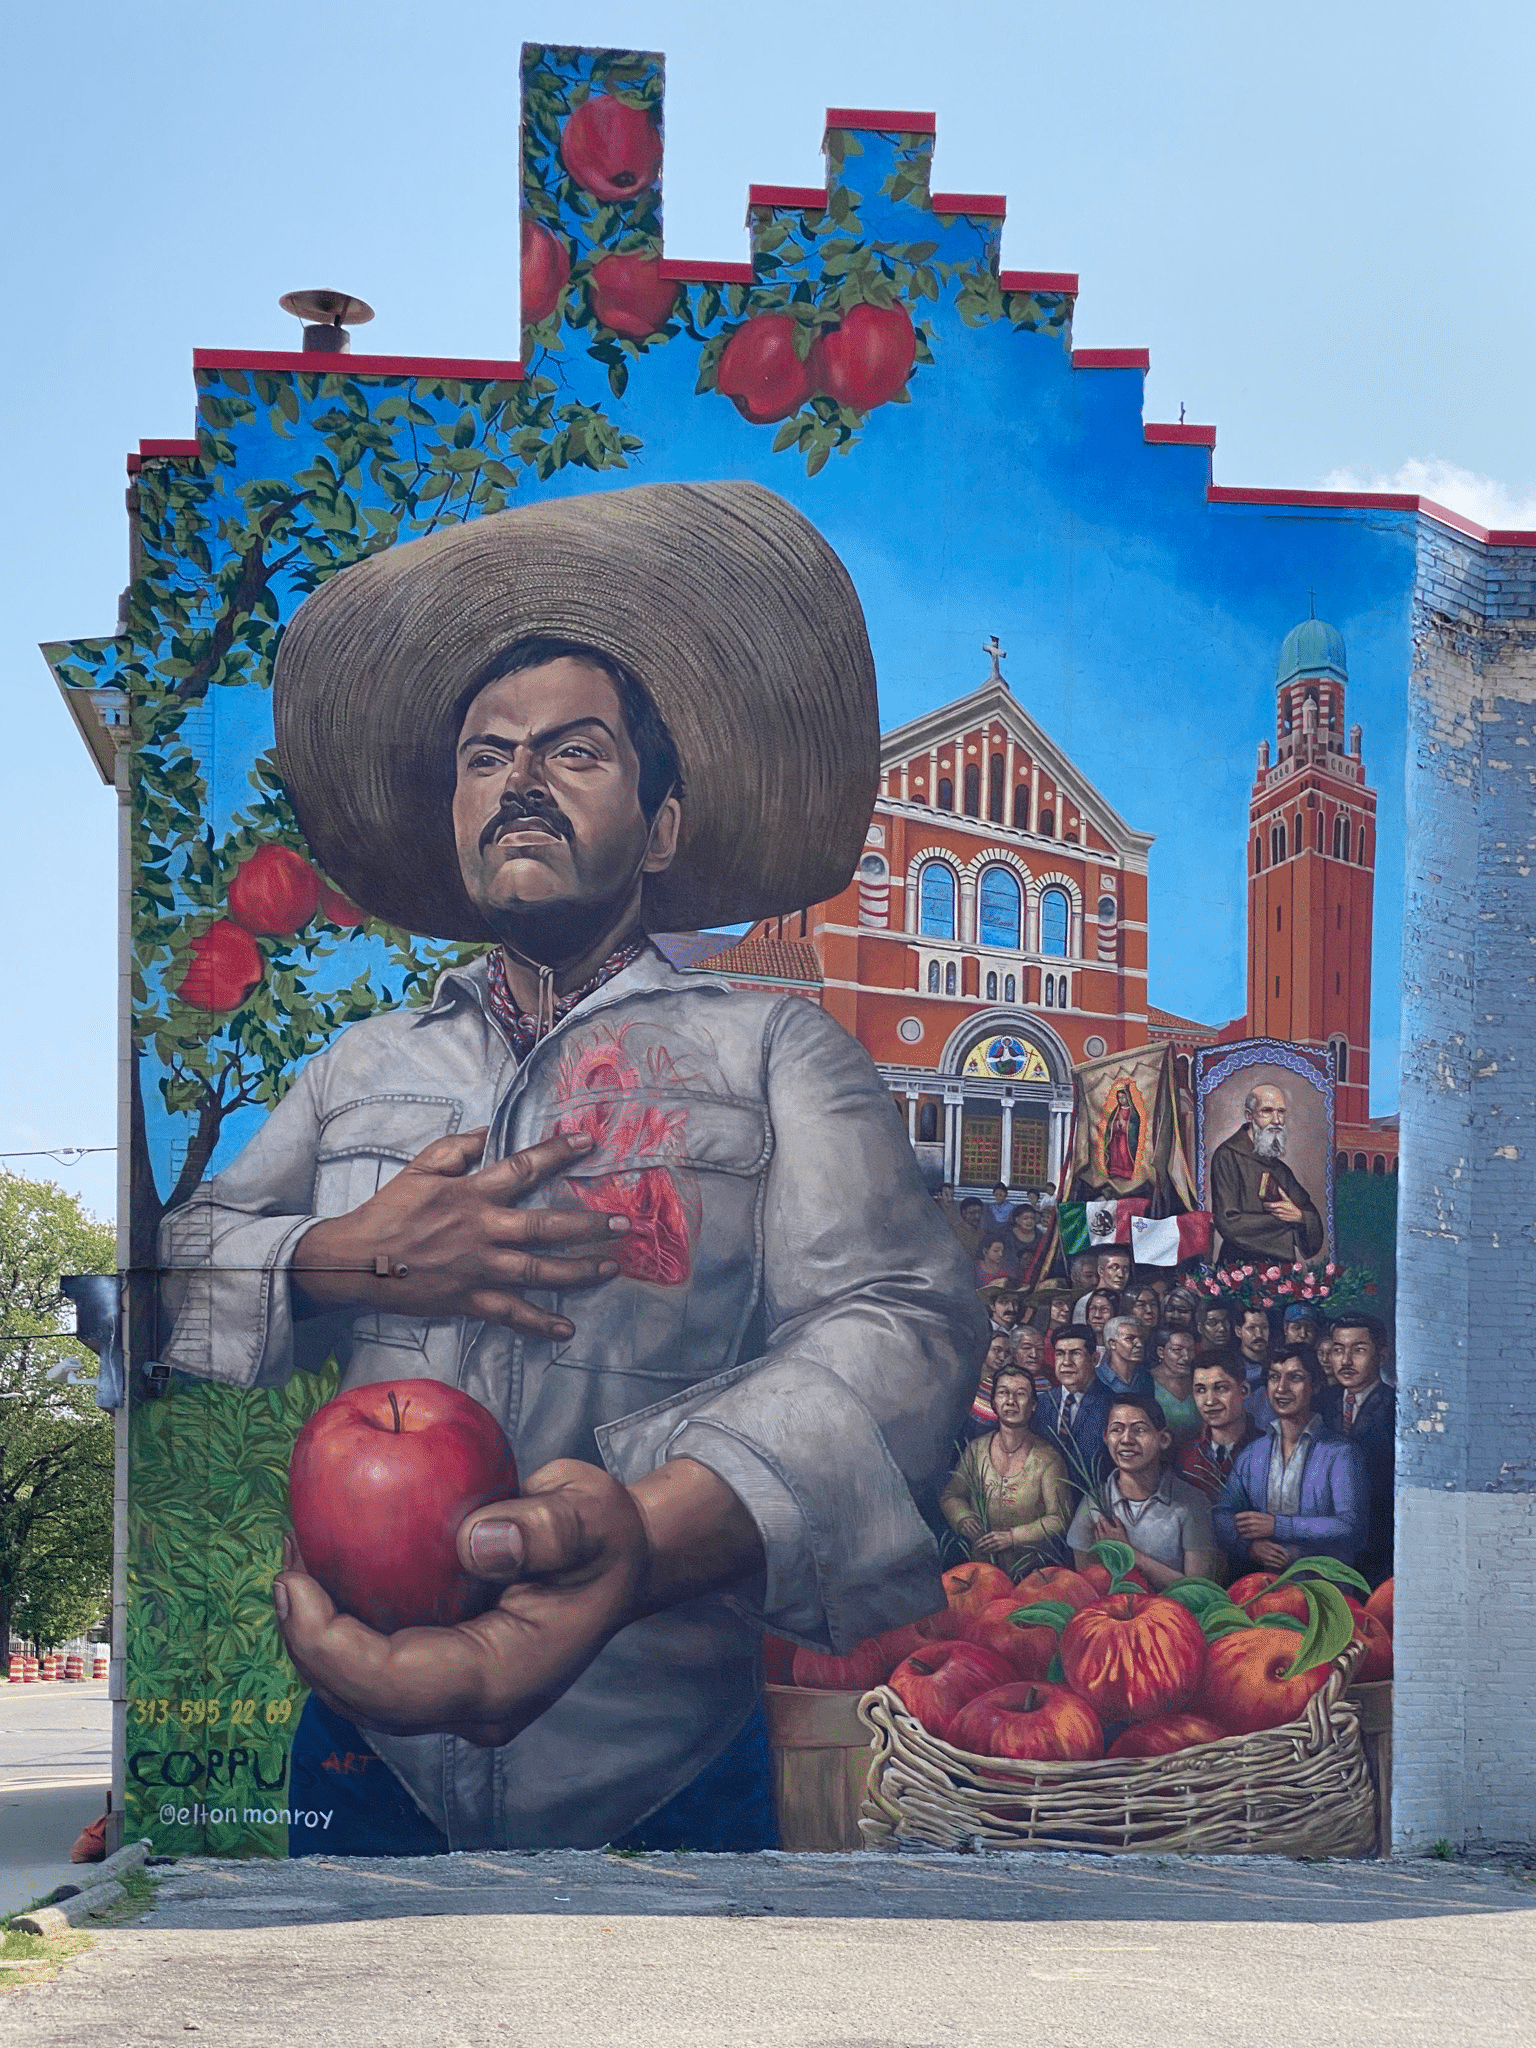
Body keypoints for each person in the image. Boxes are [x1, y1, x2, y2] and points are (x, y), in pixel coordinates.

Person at [155, 481, 983, 1855]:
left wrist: (646, 1540)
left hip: (666, 1769)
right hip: (367, 1754)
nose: (519, 783)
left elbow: (902, 1331)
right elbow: (170, 1274)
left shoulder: (780, 1051)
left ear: (661, 825)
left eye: (574, 752)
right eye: (485, 758)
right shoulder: (359, 1068)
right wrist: (342, 1257)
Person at [1213, 1346, 1367, 1574]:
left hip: (1324, 1586)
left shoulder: (1341, 1452)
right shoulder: (1253, 1453)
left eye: (1294, 1378)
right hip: (1263, 1586)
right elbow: (1222, 1514)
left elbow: (1350, 1525)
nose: (1282, 1388)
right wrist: (1250, 1547)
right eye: (1274, 1377)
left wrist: (1278, 1525)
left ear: (1315, 1386)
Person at [1067, 1395, 1220, 1590]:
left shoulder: (1192, 1503)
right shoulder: (1093, 1503)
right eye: (1117, 1429)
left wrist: (1130, 1553)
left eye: (1139, 1430)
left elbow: (1200, 1592)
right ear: (1105, 1437)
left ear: (1163, 1439)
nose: (1126, 1439)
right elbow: (1085, 1586)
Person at [941, 1365, 1073, 1579]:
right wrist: (963, 1518)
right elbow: (951, 1495)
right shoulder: (976, 1449)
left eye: (1020, 1394)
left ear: (1032, 1405)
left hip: (1033, 1573)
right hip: (981, 1570)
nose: (1011, 1401)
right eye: (1003, 1393)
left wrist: (1013, 1537)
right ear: (993, 1402)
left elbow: (1059, 1518)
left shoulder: (1048, 1458)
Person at [1210, 1083, 1325, 1266]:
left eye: (1281, 1112)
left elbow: (1309, 1214)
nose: (1277, 1120)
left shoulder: (1281, 1169)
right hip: (1238, 1269)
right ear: (1249, 1115)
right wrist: (1283, 1222)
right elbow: (1229, 1223)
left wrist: (1299, 1217)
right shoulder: (1227, 1156)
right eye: (1267, 1111)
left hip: (1282, 1272)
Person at [1321, 1314, 1396, 1586]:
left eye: (1359, 1350)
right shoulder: (1321, 1404)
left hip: (1377, 1544)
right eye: (1338, 1349)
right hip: (1326, 1546)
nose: (1346, 1360)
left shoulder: (1395, 1409)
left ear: (1383, 1355)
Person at [1036, 1327, 1113, 1504]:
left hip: (1094, 1505)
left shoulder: (1111, 1405)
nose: (1066, 1362)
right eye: (1060, 1354)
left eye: (1075, 1353)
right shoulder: (1044, 1402)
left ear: (1095, 1359)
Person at [1178, 1352, 1264, 1504]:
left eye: (1221, 1388)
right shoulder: (1186, 1454)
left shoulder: (1267, 1449)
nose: (1210, 1401)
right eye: (1201, 1390)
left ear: (1244, 1390)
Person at [1148, 1327, 1202, 1446]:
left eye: (1190, 1350)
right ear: (1161, 1352)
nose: (1186, 1357)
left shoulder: (1200, 1380)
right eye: (1177, 1350)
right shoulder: (1146, 1381)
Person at [1233, 1303, 1277, 1430]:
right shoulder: (1231, 1368)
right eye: (1251, 1328)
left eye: (1264, 1328)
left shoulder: (1279, 1363)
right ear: (1238, 1331)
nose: (1259, 1334)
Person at [1097, 1314, 1157, 1399]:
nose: (1139, 1344)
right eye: (1130, 1339)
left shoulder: (1145, 1378)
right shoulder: (1097, 1378)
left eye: (1141, 1338)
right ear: (1112, 1344)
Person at [968, 1332, 1015, 1437]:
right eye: (997, 1350)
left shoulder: (1005, 1383)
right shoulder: (967, 1377)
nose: (1002, 1357)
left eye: (1007, 1352)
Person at [1011, 1323, 1053, 1398]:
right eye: (1026, 1348)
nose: (1034, 1355)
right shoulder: (1001, 1381)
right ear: (1014, 1351)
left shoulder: (1045, 1383)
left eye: (1040, 1349)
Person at [1083, 1287, 1119, 1359]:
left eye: (1104, 1309)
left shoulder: (1120, 1350)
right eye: (1093, 1309)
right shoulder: (1082, 1348)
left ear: (1115, 1314)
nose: (1097, 1315)